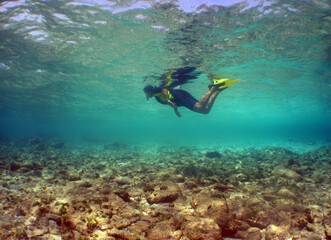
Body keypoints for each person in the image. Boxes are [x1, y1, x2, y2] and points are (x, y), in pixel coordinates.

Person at [143, 67, 240, 117]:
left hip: (178, 95)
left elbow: (163, 89)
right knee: (205, 111)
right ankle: (216, 91)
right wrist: (176, 110)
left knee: (199, 107)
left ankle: (213, 88)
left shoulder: (154, 91)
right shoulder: (157, 98)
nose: (147, 95)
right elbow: (171, 103)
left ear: (148, 91)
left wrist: (168, 100)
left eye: (146, 93)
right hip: (180, 98)